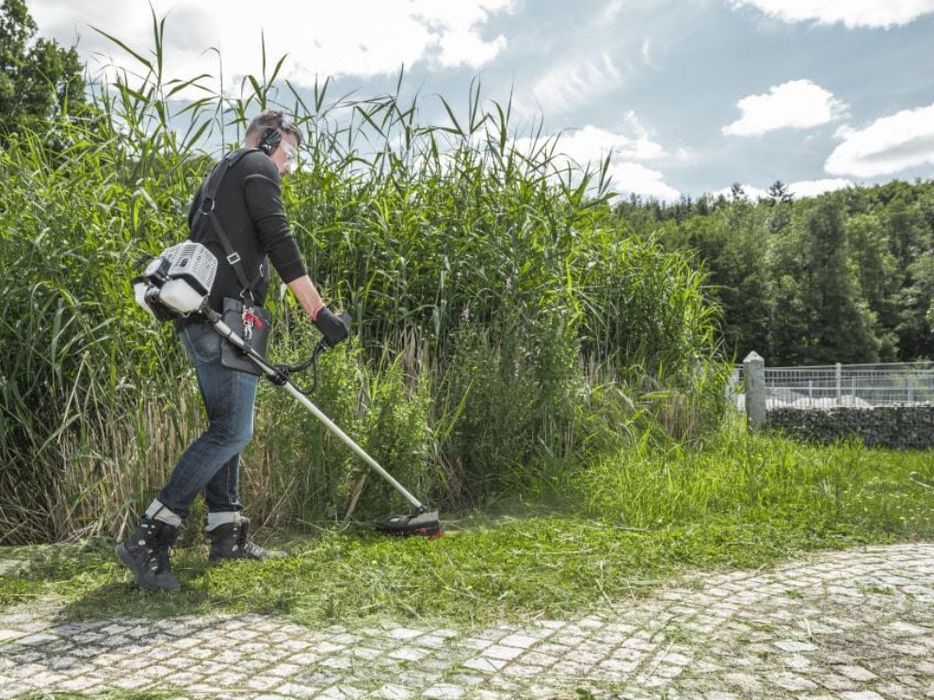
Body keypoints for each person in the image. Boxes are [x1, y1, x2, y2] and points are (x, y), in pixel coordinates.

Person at [117, 110, 348, 591]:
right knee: (232, 431)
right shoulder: (257, 167)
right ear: (269, 139)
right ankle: (149, 536)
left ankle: (227, 533)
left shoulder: (217, 175)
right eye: (289, 154)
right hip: (223, 316)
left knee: (227, 425)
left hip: (205, 314)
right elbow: (279, 241)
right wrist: (319, 313)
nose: (288, 167)